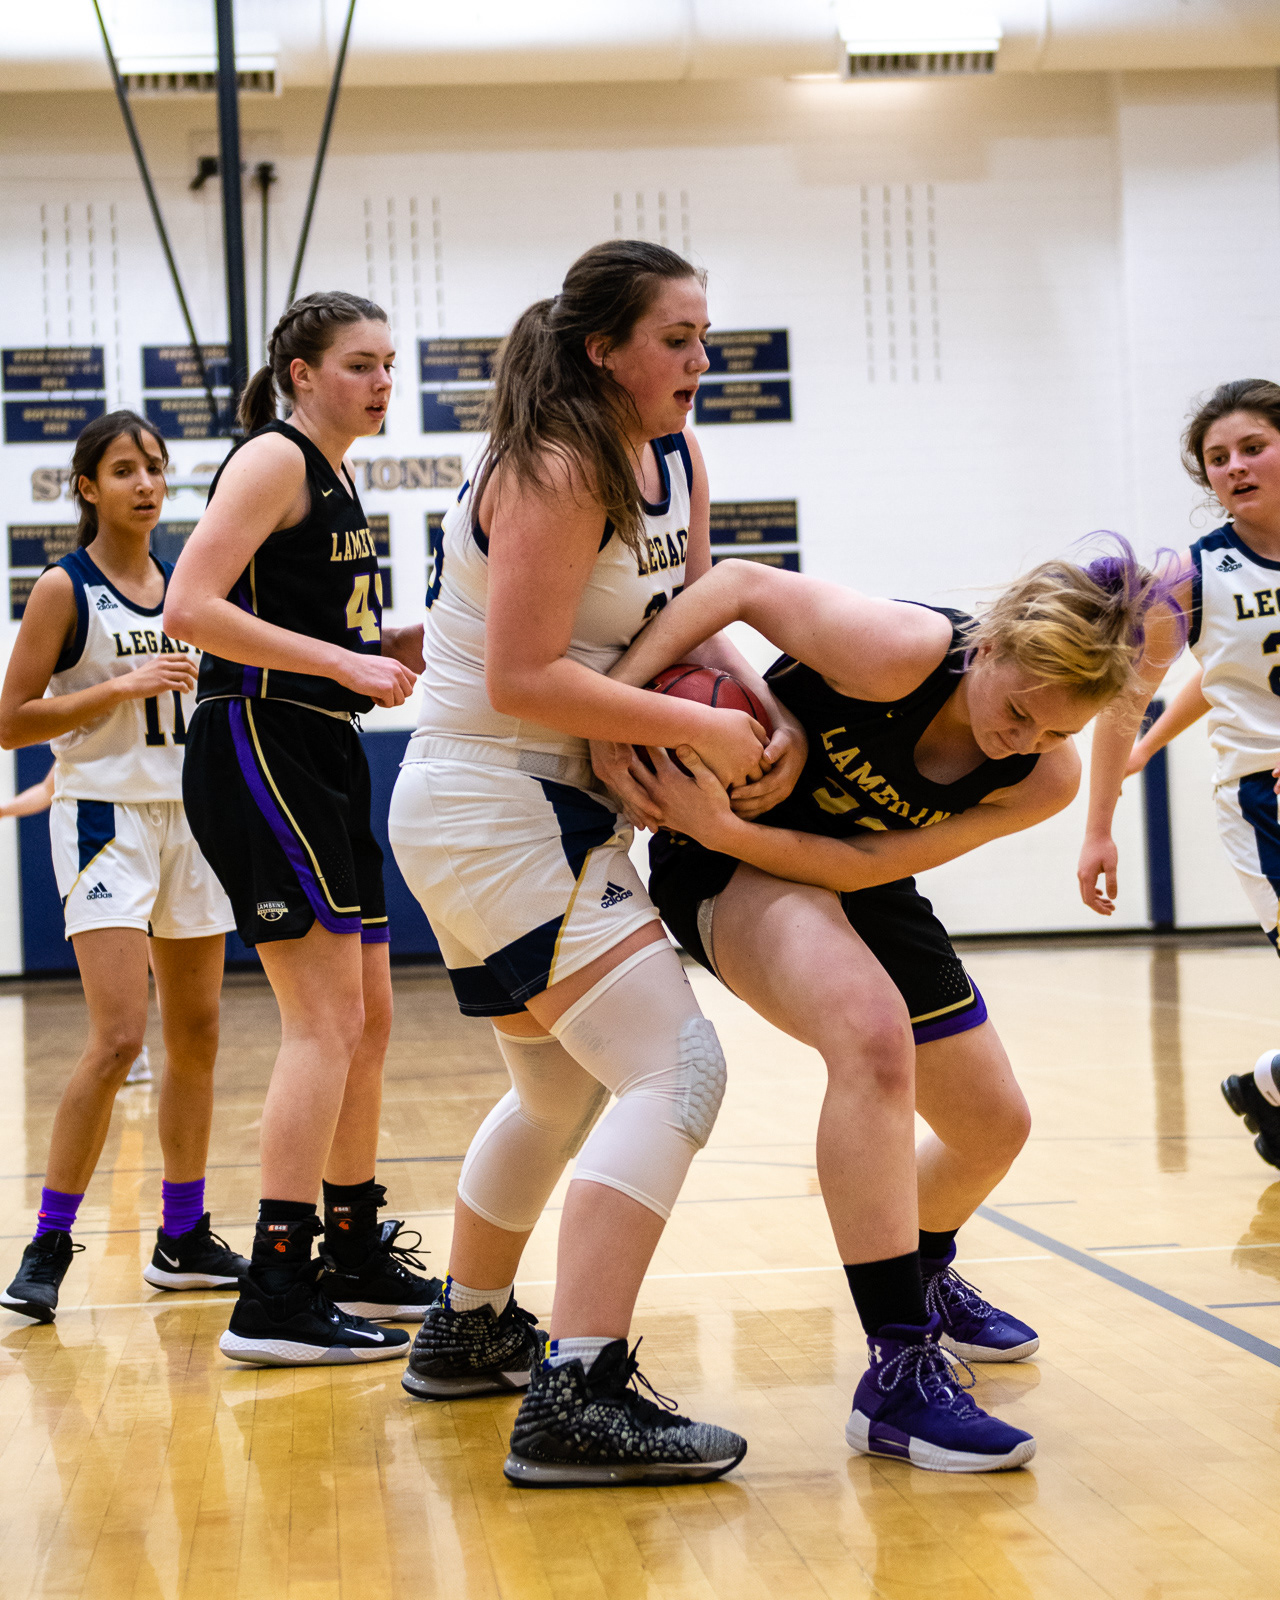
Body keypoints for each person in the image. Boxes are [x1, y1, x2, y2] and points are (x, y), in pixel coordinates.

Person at [607, 538, 1177, 1472]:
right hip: (722, 858)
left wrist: (727, 822)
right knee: (872, 1038)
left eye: (1053, 732)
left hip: (849, 872)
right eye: (1018, 711)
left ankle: (921, 1264)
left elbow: (870, 864)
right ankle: (899, 1374)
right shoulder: (895, 651)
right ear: (988, 646)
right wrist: (617, 712)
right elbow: (735, 585)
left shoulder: (1046, 777)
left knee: (993, 1125)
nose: (1021, 741)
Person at [389, 240, 806, 1486]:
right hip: (496, 795)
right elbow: (522, 675)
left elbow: (689, 618)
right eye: (675, 338)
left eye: (703, 333)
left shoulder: (674, 455)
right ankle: (578, 1388)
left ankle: (468, 1327)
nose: (700, 358)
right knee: (675, 1068)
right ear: (602, 351)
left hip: (529, 804)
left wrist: (762, 712)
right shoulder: (558, 464)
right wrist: (694, 728)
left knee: (557, 1094)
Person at [164, 291, 439, 1367]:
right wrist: (338, 662)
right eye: (361, 364)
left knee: (368, 1016)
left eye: (389, 364)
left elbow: (327, 628)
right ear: (302, 373)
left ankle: (354, 1247)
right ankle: (275, 1288)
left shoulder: (336, 475)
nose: (382, 382)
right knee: (322, 1021)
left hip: (320, 742)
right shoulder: (273, 459)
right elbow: (191, 607)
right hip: (257, 736)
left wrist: (400, 643)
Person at [0, 411, 247, 1324]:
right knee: (117, 1039)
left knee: (198, 1034)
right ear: (87, 487)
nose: (145, 483)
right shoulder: (63, 589)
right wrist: (117, 687)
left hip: (192, 820)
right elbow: (10, 721)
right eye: (123, 469)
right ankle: (49, 1242)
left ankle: (182, 1236)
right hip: (105, 816)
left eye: (155, 468)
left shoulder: (190, 589)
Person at [1080, 379, 1280, 1169]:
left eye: (1253, 447)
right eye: (1218, 458)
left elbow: (1229, 669)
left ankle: (1267, 1087)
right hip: (1264, 805)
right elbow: (1128, 699)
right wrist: (1100, 826)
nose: (1235, 466)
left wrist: (1152, 746)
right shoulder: (1194, 578)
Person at [1, 767, 152, 1082]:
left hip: (168, 836)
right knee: (122, 978)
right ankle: (134, 1052)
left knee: (171, 976)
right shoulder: (89, 755)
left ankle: (161, 1049)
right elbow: (46, 790)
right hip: (114, 848)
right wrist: (4, 810)